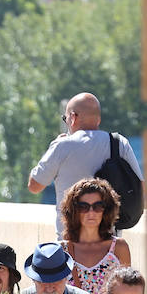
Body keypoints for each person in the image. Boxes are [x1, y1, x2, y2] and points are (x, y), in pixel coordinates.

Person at [29, 92, 142, 235]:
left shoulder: (62, 146)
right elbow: (139, 186)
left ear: (73, 117)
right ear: (98, 119)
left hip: (71, 243)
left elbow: (34, 186)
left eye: (65, 118)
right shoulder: (119, 143)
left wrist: (54, 146)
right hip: (108, 244)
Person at [59, 178, 132, 294]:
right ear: (73, 211)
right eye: (83, 206)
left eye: (98, 206)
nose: (91, 212)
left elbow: (128, 293)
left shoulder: (119, 247)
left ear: (106, 210)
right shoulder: (61, 250)